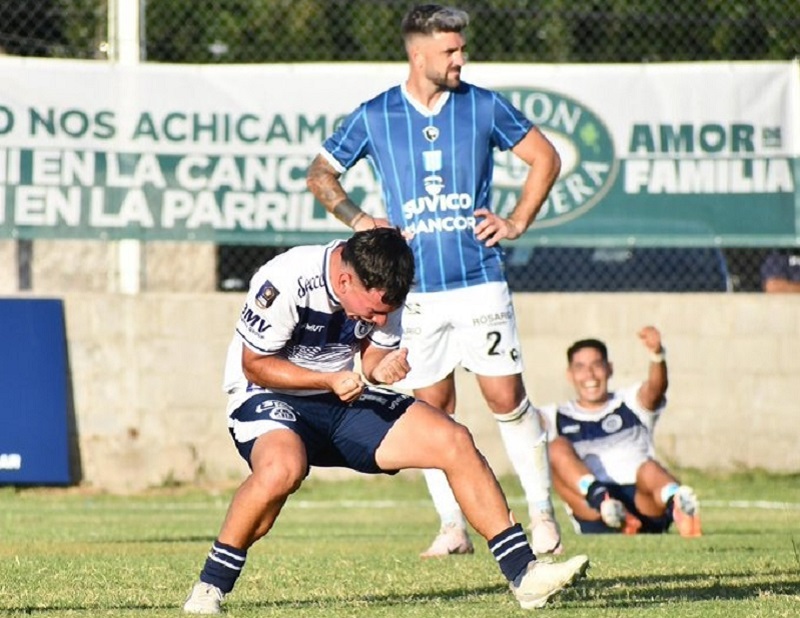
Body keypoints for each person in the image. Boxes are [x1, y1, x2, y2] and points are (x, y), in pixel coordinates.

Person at [182, 228, 589, 614]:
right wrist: (327, 379)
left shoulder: (384, 286)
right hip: (268, 395)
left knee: (453, 440)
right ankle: (210, 585)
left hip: (341, 395)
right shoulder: (284, 279)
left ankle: (525, 574)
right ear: (344, 282)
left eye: (387, 312)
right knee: (282, 471)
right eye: (374, 310)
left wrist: (382, 368)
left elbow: (373, 355)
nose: (380, 319)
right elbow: (255, 366)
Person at [306, 3, 563, 558]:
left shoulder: (484, 106)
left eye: (461, 48)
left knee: (505, 396)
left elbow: (545, 157)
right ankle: (453, 527)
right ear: (417, 53)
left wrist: (516, 221)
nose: (460, 58)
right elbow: (320, 173)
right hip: (414, 292)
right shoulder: (376, 115)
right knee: (432, 405)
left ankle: (542, 513)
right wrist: (358, 220)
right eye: (450, 50)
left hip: (478, 280)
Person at [539, 326, 702, 537]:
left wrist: (657, 355)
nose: (590, 375)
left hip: (644, 503)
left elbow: (655, 390)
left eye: (597, 365)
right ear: (570, 375)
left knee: (649, 468)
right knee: (555, 449)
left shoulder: (629, 402)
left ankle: (677, 503)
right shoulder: (555, 415)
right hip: (593, 508)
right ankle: (603, 501)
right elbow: (518, 414)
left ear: (610, 368)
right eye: (580, 367)